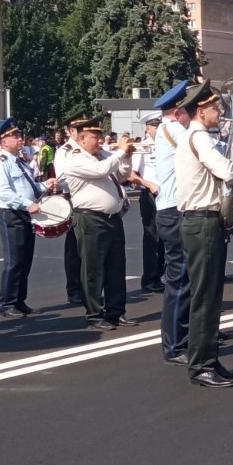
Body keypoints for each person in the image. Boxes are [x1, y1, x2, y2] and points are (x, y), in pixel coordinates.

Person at [174, 83, 233, 388]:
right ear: (201, 111)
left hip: (202, 221)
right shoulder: (198, 136)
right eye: (216, 108)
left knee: (210, 295)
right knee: (206, 297)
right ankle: (201, 364)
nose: (221, 112)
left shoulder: (196, 136)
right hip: (202, 222)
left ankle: (209, 359)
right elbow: (225, 171)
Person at [59, 116, 136, 330]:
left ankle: (116, 311)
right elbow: (100, 171)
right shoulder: (75, 159)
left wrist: (127, 157)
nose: (100, 141)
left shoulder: (101, 155)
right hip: (90, 218)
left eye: (100, 137)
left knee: (116, 267)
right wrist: (120, 152)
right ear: (82, 139)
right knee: (93, 269)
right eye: (95, 137)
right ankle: (94, 314)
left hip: (112, 218)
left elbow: (121, 176)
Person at [0, 118, 58, 318]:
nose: (20, 139)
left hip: (26, 213)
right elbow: (4, 193)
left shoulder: (19, 161)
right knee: (14, 260)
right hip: (11, 213)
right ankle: (7, 303)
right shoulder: (0, 163)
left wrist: (46, 185)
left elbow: (31, 187)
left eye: (19, 136)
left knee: (26, 259)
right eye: (15, 136)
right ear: (4, 142)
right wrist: (28, 204)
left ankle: (20, 300)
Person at [150, 81, 196, 364]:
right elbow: (201, 152)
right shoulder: (175, 129)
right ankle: (175, 345)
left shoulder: (173, 129)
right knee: (179, 280)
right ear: (179, 110)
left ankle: (189, 334)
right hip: (173, 211)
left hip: (177, 210)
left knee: (189, 278)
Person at [131, 112, 166, 295]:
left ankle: (160, 275)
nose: (157, 129)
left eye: (159, 125)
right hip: (150, 195)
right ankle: (150, 278)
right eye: (154, 126)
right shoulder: (142, 147)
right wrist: (148, 184)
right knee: (153, 237)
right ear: (147, 128)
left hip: (166, 195)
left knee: (165, 237)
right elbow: (131, 174)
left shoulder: (164, 144)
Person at [56, 119, 88, 307]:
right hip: (73, 198)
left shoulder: (89, 150)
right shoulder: (65, 152)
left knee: (89, 248)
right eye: (80, 130)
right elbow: (63, 178)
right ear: (71, 132)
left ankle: (88, 287)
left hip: (89, 199)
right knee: (74, 248)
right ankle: (74, 289)